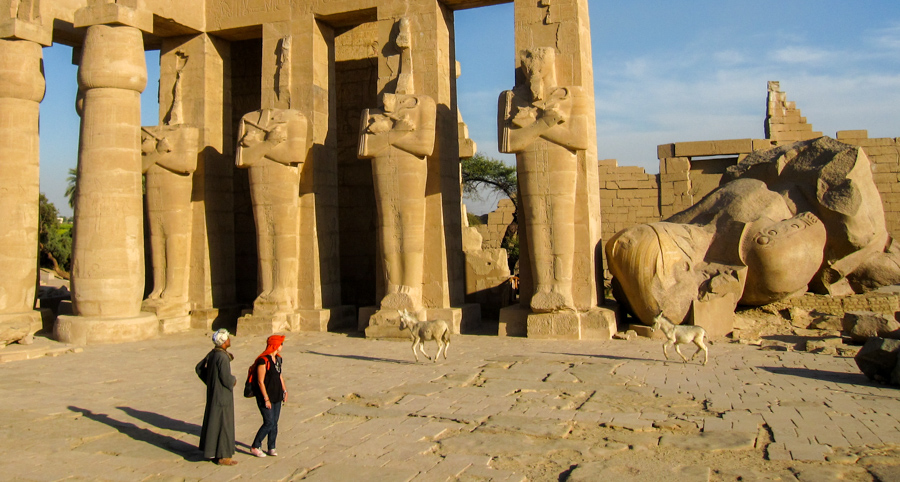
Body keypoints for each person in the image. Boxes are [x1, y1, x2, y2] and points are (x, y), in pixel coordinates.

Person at [196, 329, 238, 465]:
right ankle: (223, 456)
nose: (229, 340)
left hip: (214, 393)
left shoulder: (213, 354)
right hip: (222, 396)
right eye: (228, 339)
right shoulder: (222, 357)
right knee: (224, 425)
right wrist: (233, 380)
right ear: (224, 342)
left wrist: (210, 382)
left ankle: (212, 451)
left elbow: (199, 368)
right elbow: (226, 378)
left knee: (213, 422)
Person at [249, 334, 287, 457]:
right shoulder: (263, 361)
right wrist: (266, 398)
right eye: (281, 344)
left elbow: (279, 375)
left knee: (275, 422)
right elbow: (260, 381)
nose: (282, 346)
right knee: (268, 422)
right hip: (265, 397)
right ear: (275, 345)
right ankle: (255, 445)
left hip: (277, 395)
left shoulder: (278, 359)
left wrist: (284, 391)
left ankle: (271, 446)